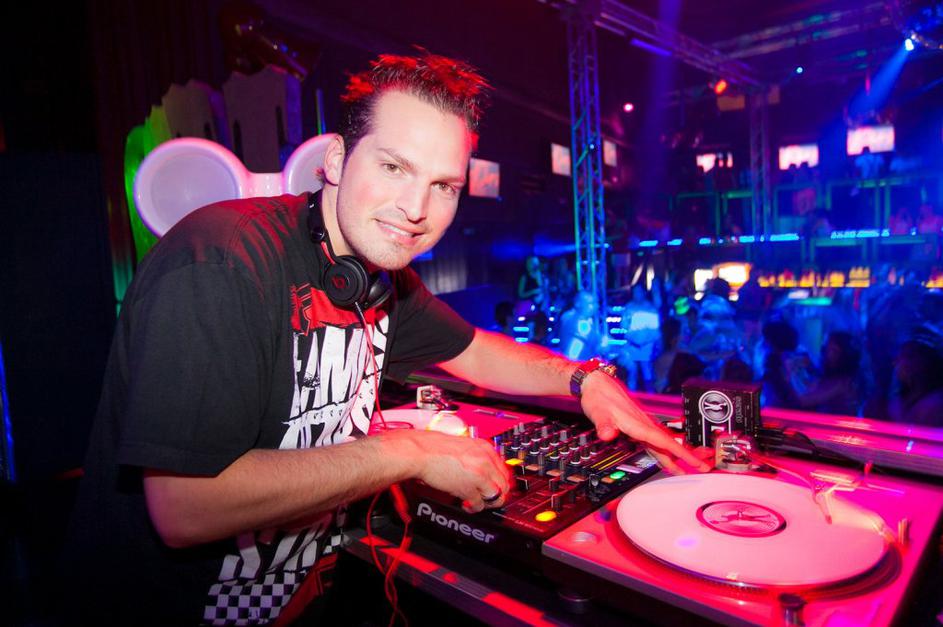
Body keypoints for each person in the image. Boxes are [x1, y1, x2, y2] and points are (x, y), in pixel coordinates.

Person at [64, 52, 708, 626]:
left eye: (443, 186)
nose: (417, 209)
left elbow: (477, 350)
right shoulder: (220, 263)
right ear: (336, 161)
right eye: (395, 166)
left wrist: (584, 379)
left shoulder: (376, 278)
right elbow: (185, 508)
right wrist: (409, 452)